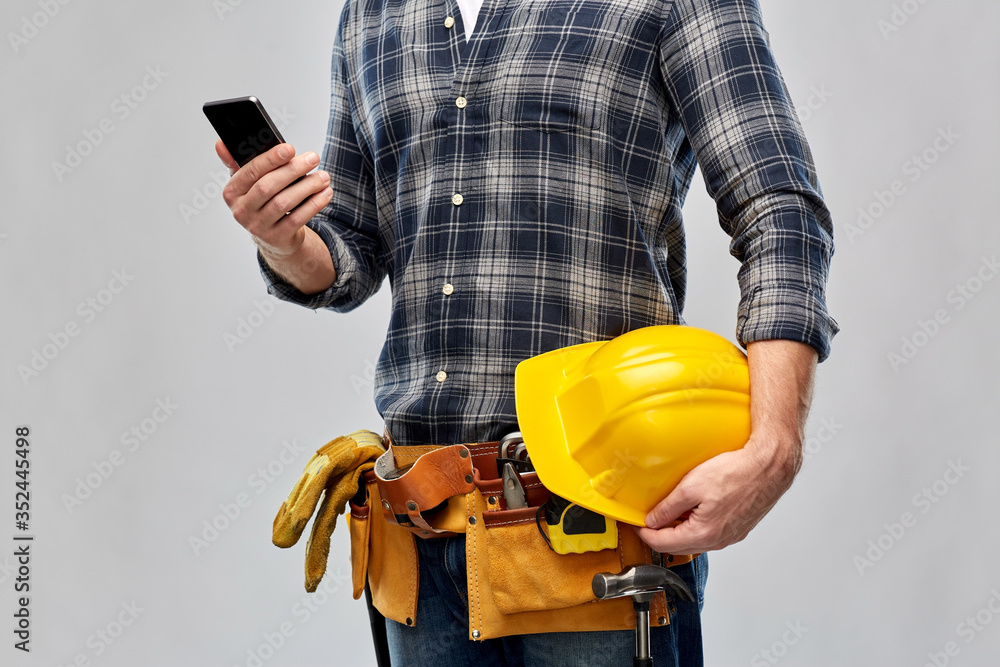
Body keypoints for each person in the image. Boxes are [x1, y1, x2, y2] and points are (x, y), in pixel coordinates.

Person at [216, 0, 837, 664]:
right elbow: (351, 251)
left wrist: (775, 444)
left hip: (594, 538)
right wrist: (282, 239)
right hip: (420, 549)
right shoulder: (372, 13)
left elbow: (780, 209)